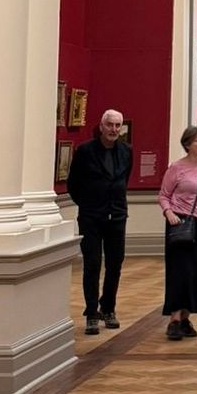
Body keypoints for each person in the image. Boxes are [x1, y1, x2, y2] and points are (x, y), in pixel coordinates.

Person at [66, 108, 131, 336]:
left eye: (117, 125)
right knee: (92, 264)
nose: (114, 129)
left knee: (115, 264)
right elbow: (73, 184)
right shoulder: (85, 151)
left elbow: (124, 179)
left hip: (117, 216)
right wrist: (88, 205)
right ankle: (92, 313)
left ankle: (108, 308)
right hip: (91, 218)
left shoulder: (126, 151)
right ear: (101, 126)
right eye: (110, 125)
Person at [158, 124, 197, 342]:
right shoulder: (176, 168)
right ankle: (174, 319)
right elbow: (163, 195)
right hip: (181, 223)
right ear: (187, 144)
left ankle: (186, 317)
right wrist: (168, 212)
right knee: (180, 271)